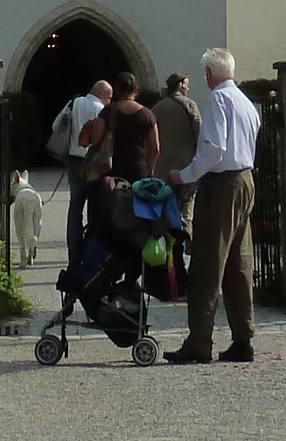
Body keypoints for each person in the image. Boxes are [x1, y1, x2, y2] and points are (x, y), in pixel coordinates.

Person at [163, 46, 262, 364]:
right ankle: (243, 338)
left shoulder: (219, 100)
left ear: (210, 73)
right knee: (238, 263)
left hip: (222, 185)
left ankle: (199, 341)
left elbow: (215, 148)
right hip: (245, 180)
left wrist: (186, 175)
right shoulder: (246, 102)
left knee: (207, 262)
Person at [57, 77, 111, 260]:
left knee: (75, 207)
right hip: (94, 162)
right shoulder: (102, 110)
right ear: (102, 94)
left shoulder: (74, 103)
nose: (109, 101)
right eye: (109, 97)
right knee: (95, 207)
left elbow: (56, 126)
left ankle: (73, 251)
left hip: (73, 161)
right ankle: (90, 251)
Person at [82, 70, 160, 186]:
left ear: (117, 89)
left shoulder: (108, 111)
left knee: (107, 202)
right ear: (136, 90)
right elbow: (155, 148)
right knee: (135, 202)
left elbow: (96, 140)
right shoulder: (147, 114)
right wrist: (150, 168)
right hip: (138, 167)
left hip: (111, 167)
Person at [153, 71, 203, 223]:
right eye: (187, 86)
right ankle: (185, 244)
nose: (188, 90)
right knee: (186, 214)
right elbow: (200, 135)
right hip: (186, 169)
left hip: (162, 170)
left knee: (163, 216)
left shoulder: (157, 108)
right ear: (180, 86)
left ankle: (166, 245)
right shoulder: (190, 105)